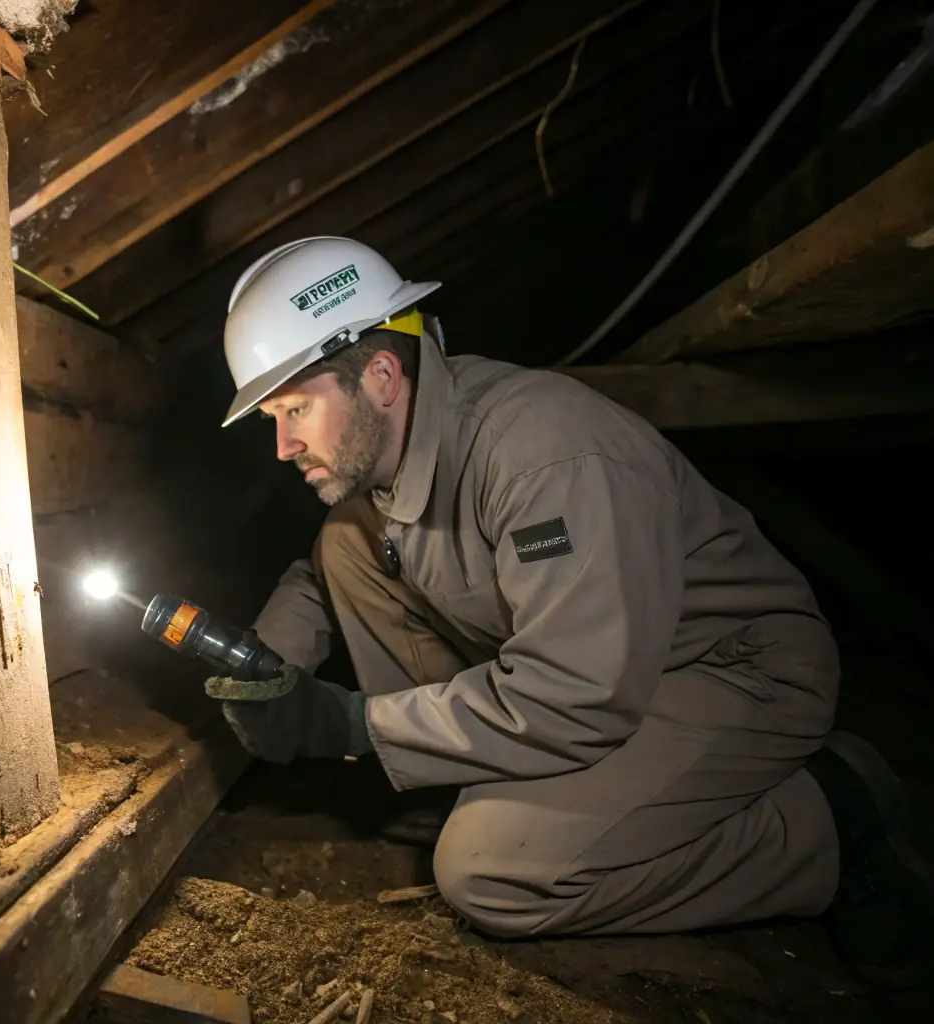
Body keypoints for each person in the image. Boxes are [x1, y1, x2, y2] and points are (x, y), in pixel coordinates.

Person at [204, 236, 932, 983]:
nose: (283, 445)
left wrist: (353, 723)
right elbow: (321, 575)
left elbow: (577, 692)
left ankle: (825, 821)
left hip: (727, 674)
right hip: (608, 674)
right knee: (348, 547)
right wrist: (265, 666)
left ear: (382, 376)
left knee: (491, 875)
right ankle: (474, 787)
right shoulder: (401, 449)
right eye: (271, 418)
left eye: (294, 408)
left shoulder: (543, 456)